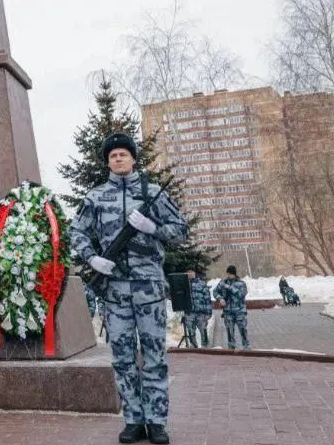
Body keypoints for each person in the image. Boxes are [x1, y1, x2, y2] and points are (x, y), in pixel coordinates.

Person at [72, 133, 189, 445]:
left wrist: (154, 228)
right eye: (113, 156)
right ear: (108, 162)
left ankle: (157, 421)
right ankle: (134, 420)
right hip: (115, 291)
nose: (118, 159)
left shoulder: (152, 193)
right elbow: (76, 231)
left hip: (149, 287)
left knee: (154, 356)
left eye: (123, 154)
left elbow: (181, 231)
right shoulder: (96, 197)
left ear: (134, 158)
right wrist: (92, 258)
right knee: (123, 358)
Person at [213, 265, 250, 349]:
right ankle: (231, 347)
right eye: (227, 274)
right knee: (229, 331)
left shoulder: (241, 283)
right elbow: (215, 292)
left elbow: (241, 295)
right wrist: (220, 299)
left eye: (229, 274)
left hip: (240, 311)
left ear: (234, 274)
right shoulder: (223, 282)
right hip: (228, 312)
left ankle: (246, 347)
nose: (228, 276)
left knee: (243, 330)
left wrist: (229, 287)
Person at [184, 269, 212, 348]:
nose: (189, 274)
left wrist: (209, 313)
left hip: (201, 312)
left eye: (191, 272)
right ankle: (193, 346)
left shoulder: (202, 284)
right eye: (188, 272)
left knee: (203, 330)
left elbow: (207, 299)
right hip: (189, 312)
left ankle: (205, 346)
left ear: (194, 273)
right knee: (191, 331)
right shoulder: (183, 284)